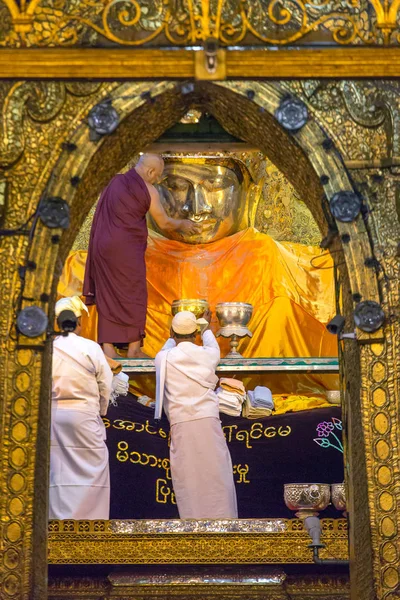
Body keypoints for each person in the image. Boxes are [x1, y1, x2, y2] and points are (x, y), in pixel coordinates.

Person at [83, 153, 201, 359]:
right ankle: (133, 349)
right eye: (157, 176)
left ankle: (108, 348)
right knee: (134, 293)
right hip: (125, 249)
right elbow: (164, 222)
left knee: (107, 293)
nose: (156, 180)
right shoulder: (148, 189)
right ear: (150, 171)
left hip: (102, 246)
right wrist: (183, 224)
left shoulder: (113, 181)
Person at [155, 309, 238, 519]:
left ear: (172, 333)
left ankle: (193, 528)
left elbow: (166, 347)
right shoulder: (207, 354)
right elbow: (213, 347)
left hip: (181, 423)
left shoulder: (164, 357)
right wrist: (207, 327)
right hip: (208, 421)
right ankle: (225, 527)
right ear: (196, 334)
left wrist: (172, 335)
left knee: (188, 479)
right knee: (217, 476)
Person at [49, 296, 113, 520]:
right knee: (93, 471)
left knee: (58, 474)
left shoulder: (49, 348)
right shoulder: (90, 348)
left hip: (54, 417)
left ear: (57, 323)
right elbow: (106, 384)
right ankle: (91, 529)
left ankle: (58, 528)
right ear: (78, 322)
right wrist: (102, 411)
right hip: (84, 417)